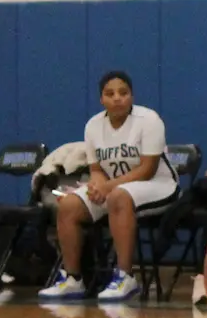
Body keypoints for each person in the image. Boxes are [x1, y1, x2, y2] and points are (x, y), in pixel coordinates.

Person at [38, 71, 178, 302]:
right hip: (117, 188)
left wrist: (108, 187)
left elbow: (147, 169)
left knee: (118, 197)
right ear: (101, 99)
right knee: (70, 205)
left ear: (132, 96)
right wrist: (97, 186)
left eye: (123, 93)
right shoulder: (93, 125)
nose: (117, 98)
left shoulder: (149, 120)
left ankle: (125, 277)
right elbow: (96, 168)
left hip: (157, 185)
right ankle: (73, 279)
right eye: (110, 94)